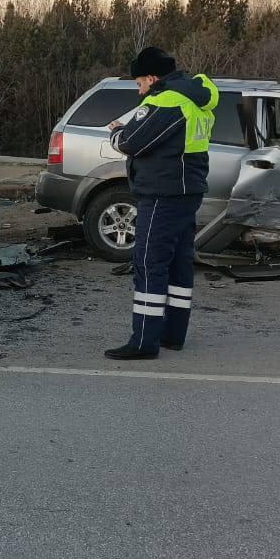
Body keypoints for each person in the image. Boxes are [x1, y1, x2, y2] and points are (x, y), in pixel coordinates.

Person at [104, 47, 219, 360]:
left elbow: (130, 142)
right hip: (187, 192)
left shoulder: (166, 100)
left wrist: (116, 132)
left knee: (148, 264)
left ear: (152, 77)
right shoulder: (196, 98)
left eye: (139, 82)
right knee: (179, 264)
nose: (139, 89)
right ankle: (173, 334)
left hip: (162, 195)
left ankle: (143, 341)